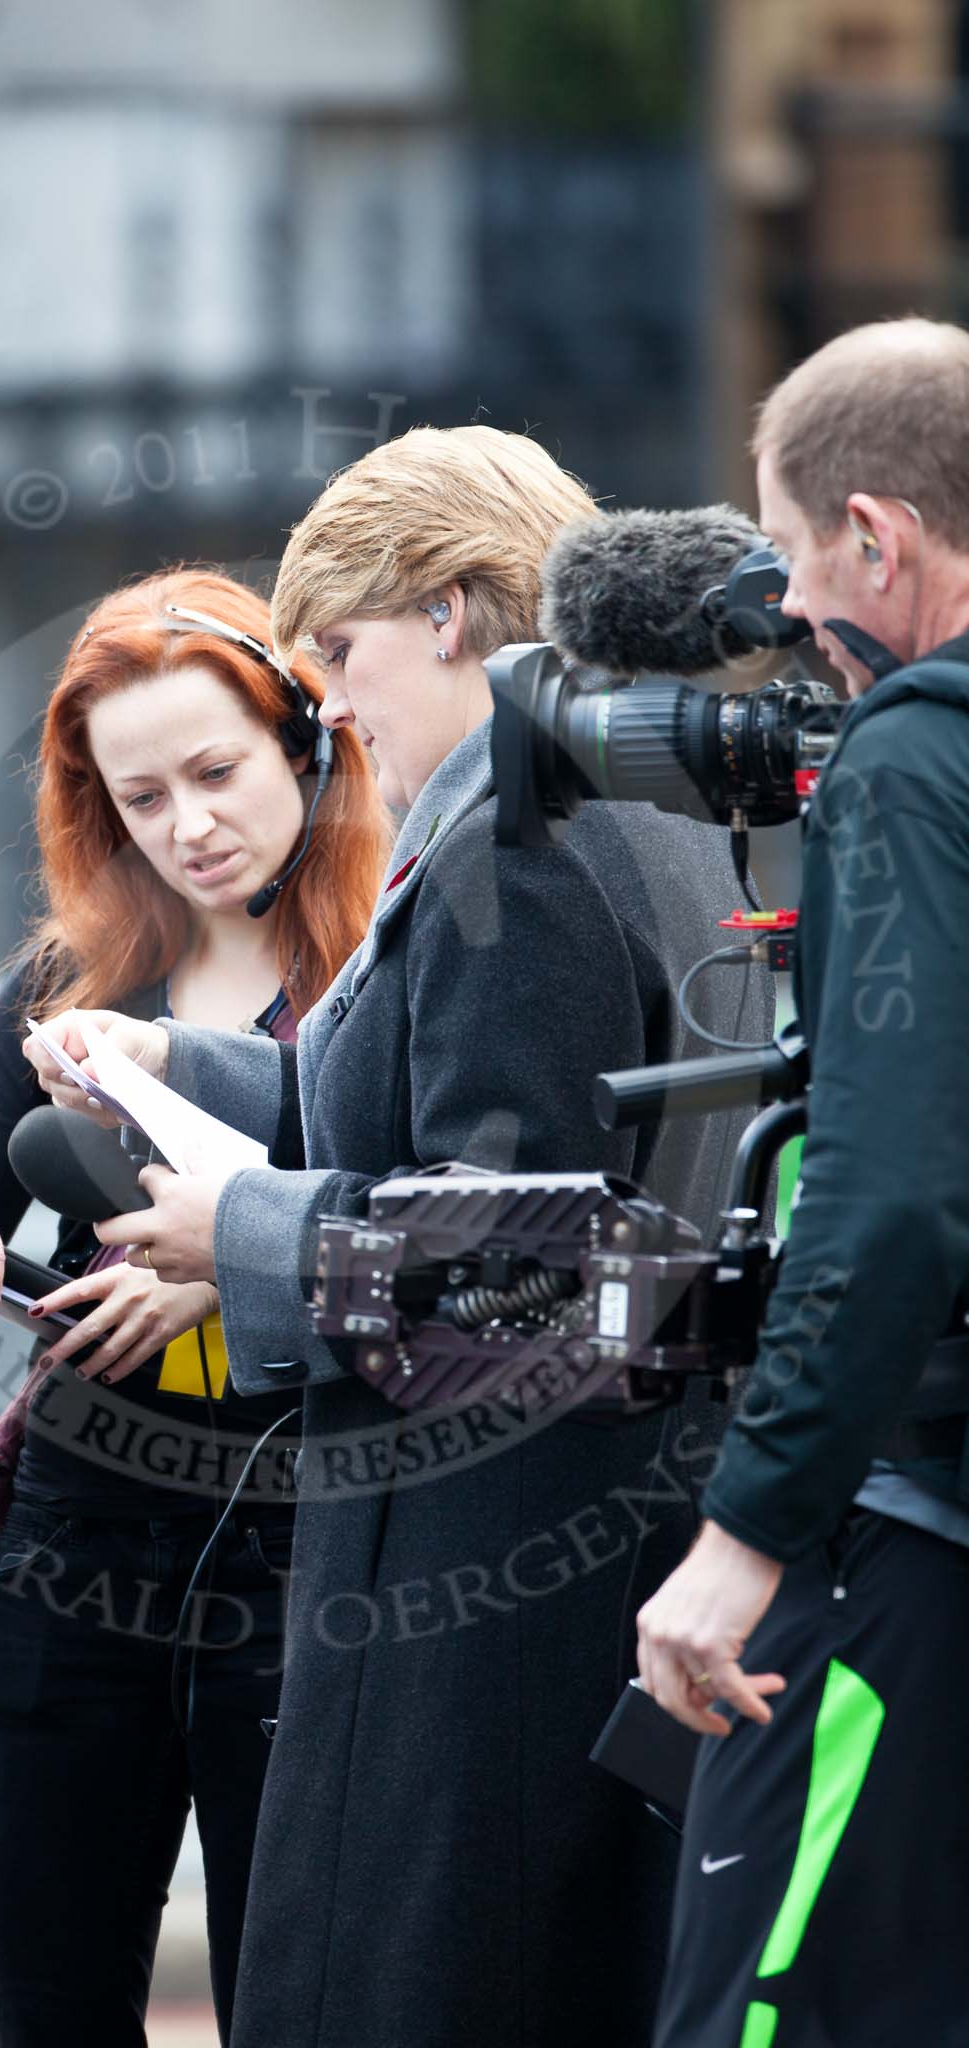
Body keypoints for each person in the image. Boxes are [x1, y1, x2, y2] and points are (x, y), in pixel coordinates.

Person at [29, 425, 774, 2048]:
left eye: (342, 653)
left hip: (485, 1588)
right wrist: (193, 1066)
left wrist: (245, 1226)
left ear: (448, 610)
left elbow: (536, 1269)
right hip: (585, 1549)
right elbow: (437, 1121)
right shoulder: (641, 810)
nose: (334, 704)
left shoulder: (521, 841)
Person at [0, 567, 390, 2048]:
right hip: (74, 1553)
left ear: (304, 740)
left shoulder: (381, 977)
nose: (189, 826)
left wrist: (231, 1260)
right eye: (140, 798)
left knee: (287, 2006)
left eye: (215, 773)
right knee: (50, 2007)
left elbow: (453, 1250)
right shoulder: (62, 980)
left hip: (310, 1552)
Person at [636, 318, 969, 2048]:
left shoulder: (916, 753)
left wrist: (744, 1531)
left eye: (786, 556)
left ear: (875, 536)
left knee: (768, 2012)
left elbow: (891, 1186)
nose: (784, 609)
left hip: (919, 1528)